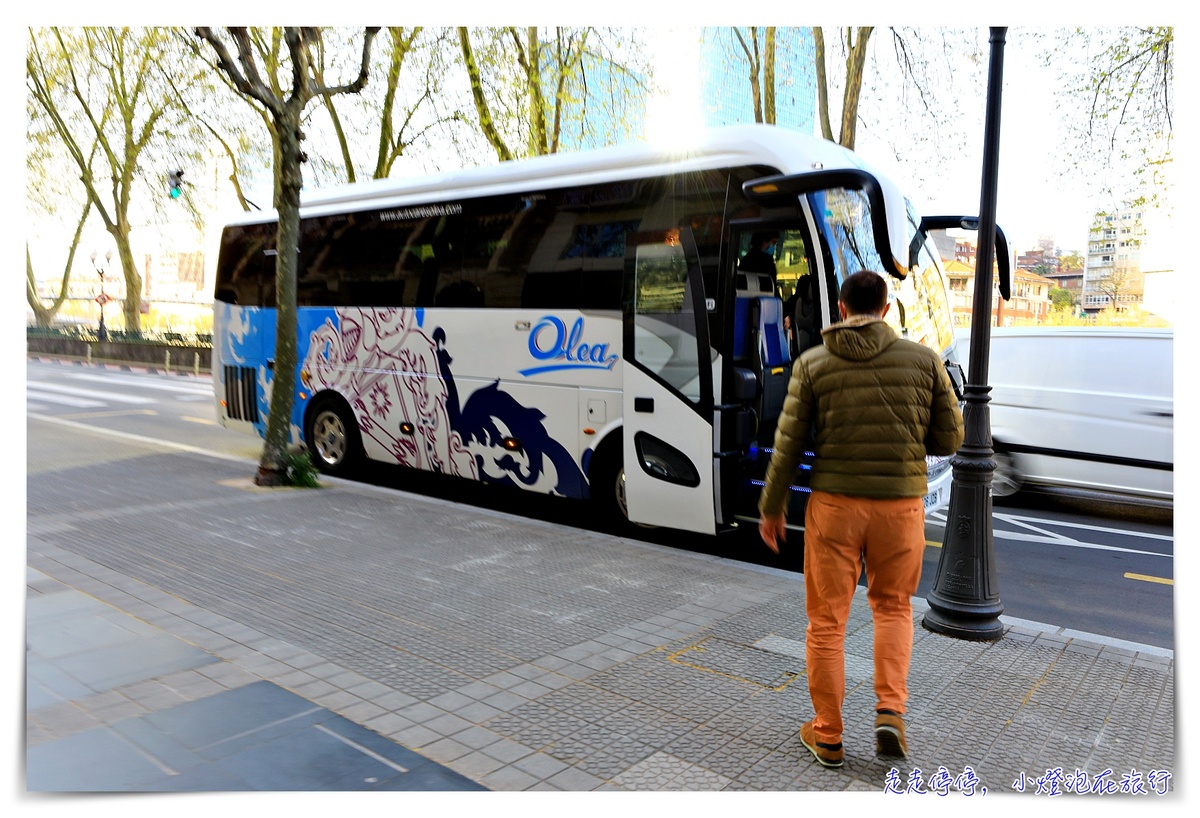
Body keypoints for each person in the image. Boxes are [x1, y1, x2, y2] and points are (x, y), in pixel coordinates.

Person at [757, 270, 964, 769]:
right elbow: (950, 439)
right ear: (887, 309)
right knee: (893, 607)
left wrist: (772, 507)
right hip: (901, 507)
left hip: (835, 507)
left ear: (843, 310)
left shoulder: (813, 363)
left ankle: (828, 734)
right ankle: (890, 712)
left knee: (827, 623)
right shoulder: (924, 361)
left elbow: (788, 445)